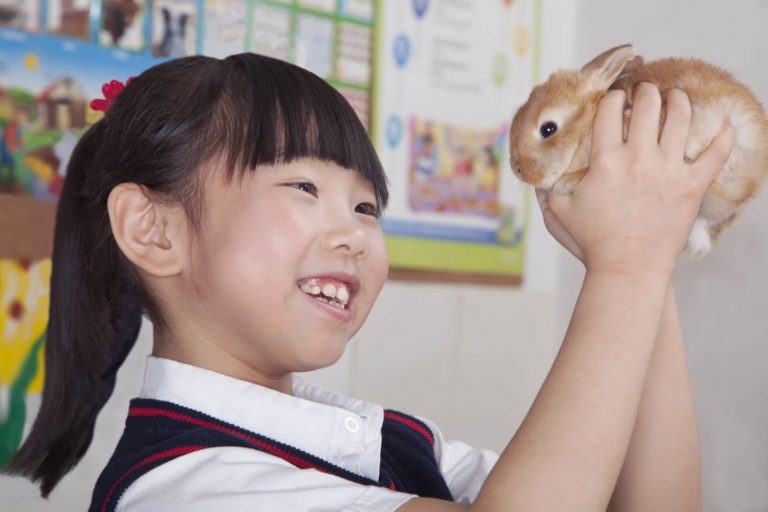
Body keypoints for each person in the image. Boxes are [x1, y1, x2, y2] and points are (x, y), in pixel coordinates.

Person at [2, 53, 734, 511]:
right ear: (154, 230)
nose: (354, 231)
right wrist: (626, 263)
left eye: (365, 205)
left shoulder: (392, 443)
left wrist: (650, 254)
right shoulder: (182, 488)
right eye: (301, 186)